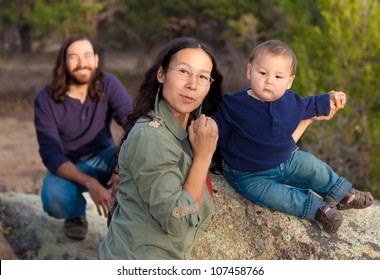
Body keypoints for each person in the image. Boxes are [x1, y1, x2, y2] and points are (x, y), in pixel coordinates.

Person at [212, 39, 373, 234]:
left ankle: (342, 194)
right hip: (248, 174)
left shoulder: (291, 101)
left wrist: (332, 99)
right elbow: (214, 130)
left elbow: (312, 105)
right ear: (249, 71)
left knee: (312, 166)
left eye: (279, 76)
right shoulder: (233, 105)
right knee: (278, 197)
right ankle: (320, 209)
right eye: (262, 73)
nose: (269, 80)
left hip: (287, 159)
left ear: (289, 81)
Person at [98, 37, 223, 259]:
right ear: (161, 74)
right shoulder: (151, 136)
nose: (192, 84)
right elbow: (178, 220)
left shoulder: (190, 130)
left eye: (202, 76)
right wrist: (203, 157)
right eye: (183, 71)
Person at [34, 34, 133, 240]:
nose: (82, 63)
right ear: (64, 62)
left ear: (96, 60)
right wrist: (90, 183)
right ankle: (76, 213)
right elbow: (50, 154)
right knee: (54, 200)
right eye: (74, 57)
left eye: (87, 55)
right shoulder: (45, 99)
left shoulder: (109, 83)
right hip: (68, 164)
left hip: (105, 158)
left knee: (140, 156)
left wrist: (120, 167)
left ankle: (126, 214)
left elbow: (133, 124)